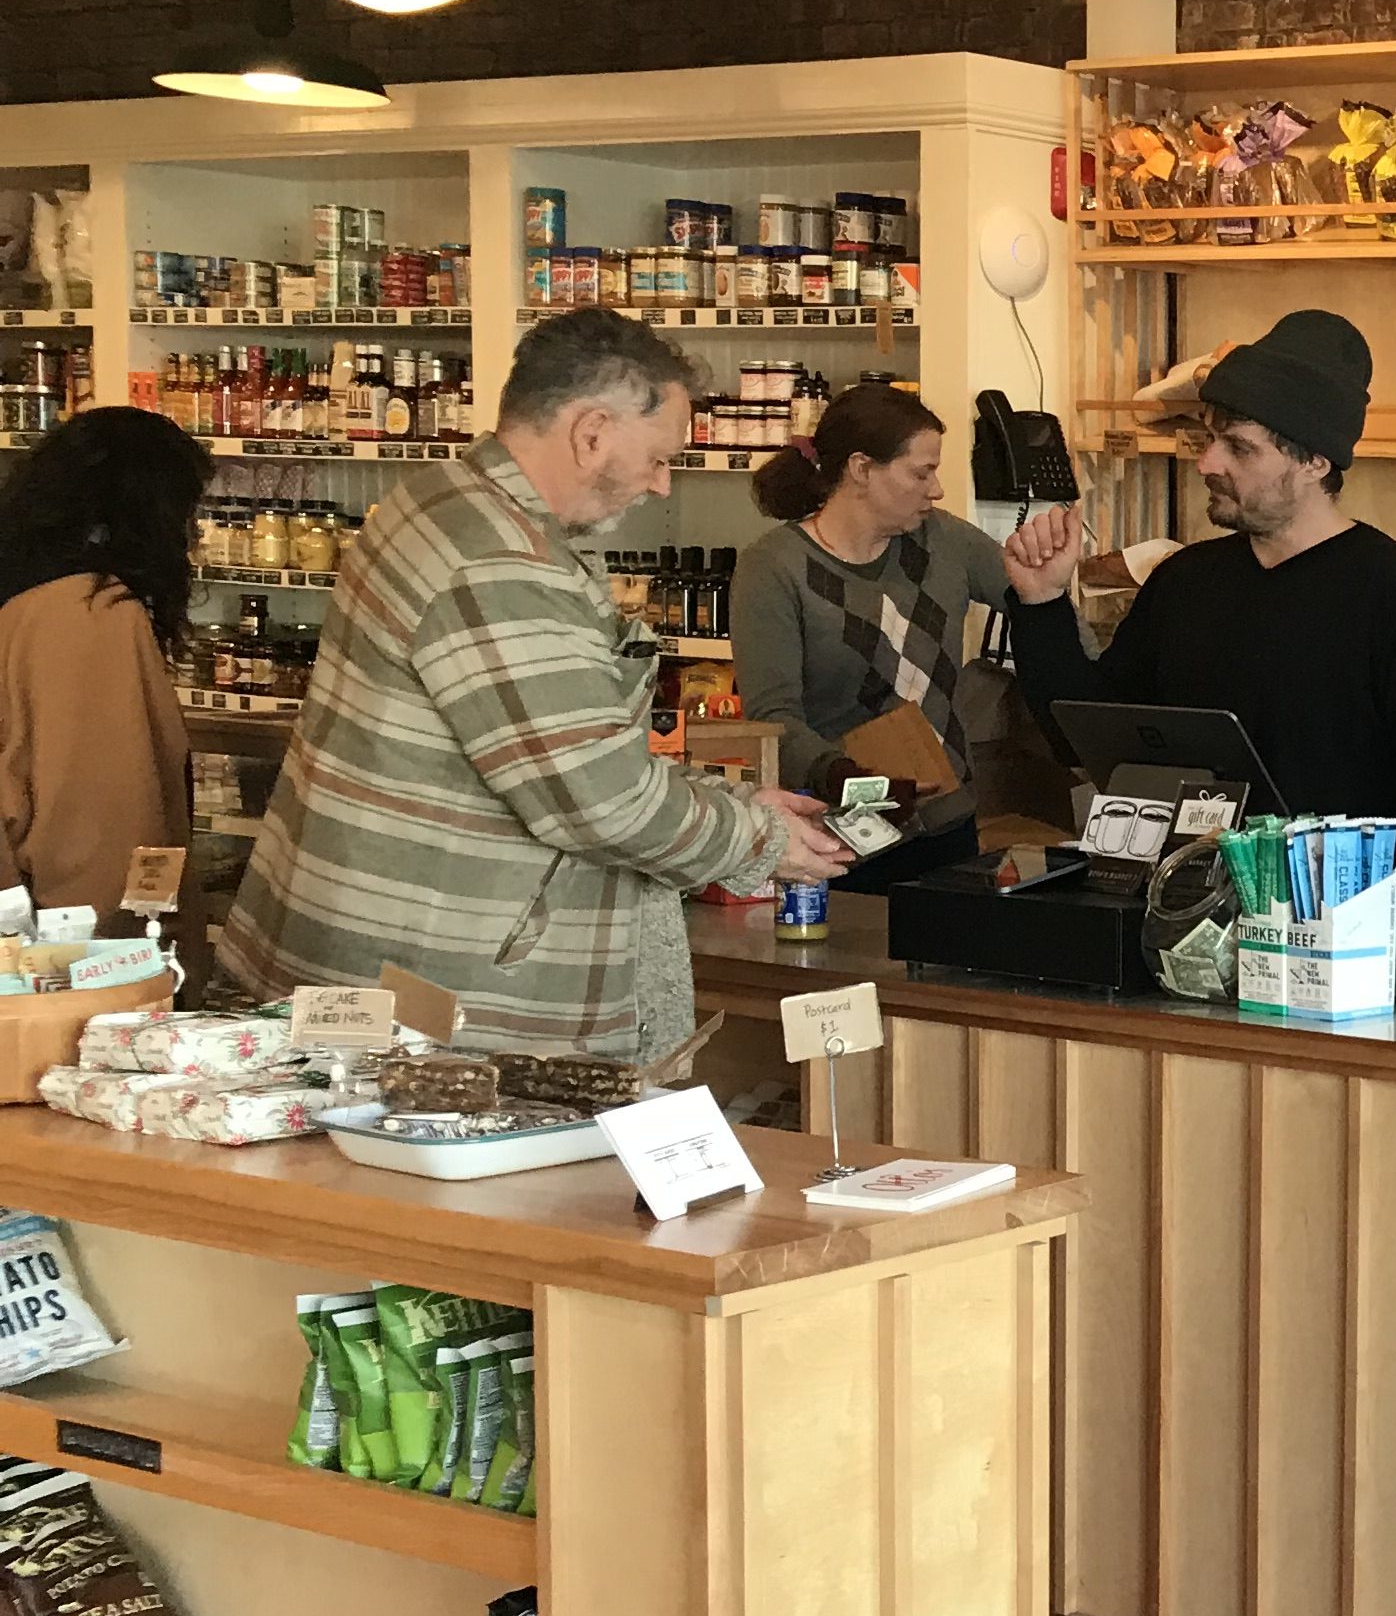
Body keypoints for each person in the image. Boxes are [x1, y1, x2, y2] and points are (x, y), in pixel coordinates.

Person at [224, 308, 849, 1058]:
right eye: (657, 458)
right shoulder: (502, 564)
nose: (660, 485)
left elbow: (567, 751)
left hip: (365, 964)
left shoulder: (439, 499)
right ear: (592, 433)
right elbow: (601, 804)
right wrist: (760, 839)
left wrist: (733, 801)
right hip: (437, 1002)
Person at [1000, 309, 1396, 876]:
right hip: (1179, 904)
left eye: (1239, 447)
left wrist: (1380, 904)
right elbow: (1083, 738)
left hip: (1326, 917)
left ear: (1314, 462)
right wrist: (1041, 604)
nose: (1207, 462)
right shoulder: (1185, 581)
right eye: (1210, 439)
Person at [729, 377, 1014, 828]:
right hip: (841, 829)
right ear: (861, 468)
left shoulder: (946, 540)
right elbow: (772, 720)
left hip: (953, 822)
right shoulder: (773, 567)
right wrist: (852, 782)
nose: (936, 489)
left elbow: (1035, 600)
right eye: (921, 473)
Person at [0, 406, 206, 917]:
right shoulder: (90, 610)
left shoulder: (28, 584)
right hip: (66, 945)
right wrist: (127, 946)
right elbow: (96, 829)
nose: (194, 534)